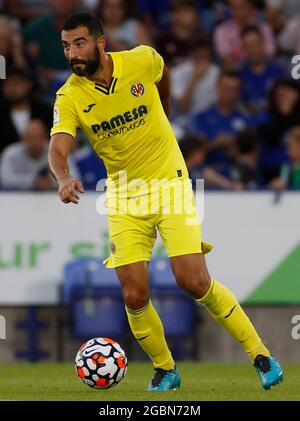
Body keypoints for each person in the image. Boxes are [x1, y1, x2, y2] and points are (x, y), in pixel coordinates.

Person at [48, 11, 283, 391]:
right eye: (66, 46)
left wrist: (166, 107)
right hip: (123, 196)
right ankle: (166, 369)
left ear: (100, 42)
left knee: (193, 280)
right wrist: (63, 177)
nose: (72, 53)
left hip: (170, 185)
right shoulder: (70, 95)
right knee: (134, 292)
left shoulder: (140, 59)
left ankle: (261, 355)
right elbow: (58, 148)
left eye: (79, 43)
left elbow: (162, 75)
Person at [240, 26, 285, 113]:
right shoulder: (238, 73)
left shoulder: (280, 69)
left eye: (255, 43)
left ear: (263, 43)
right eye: (248, 46)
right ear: (243, 49)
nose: (253, 49)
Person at [0, 119, 54, 190]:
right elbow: (5, 179)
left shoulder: (55, 152)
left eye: (39, 137)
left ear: (46, 138)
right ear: (23, 138)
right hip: (17, 197)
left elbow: (70, 177)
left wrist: (52, 182)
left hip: (50, 197)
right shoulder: (11, 153)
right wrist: (34, 181)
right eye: (31, 138)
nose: (35, 142)